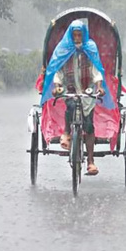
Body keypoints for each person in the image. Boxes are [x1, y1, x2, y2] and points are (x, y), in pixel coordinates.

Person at [40, 20, 114, 176]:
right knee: (71, 107)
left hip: (87, 91)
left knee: (88, 125)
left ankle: (91, 161)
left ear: (84, 35)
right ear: (70, 35)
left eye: (80, 35)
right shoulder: (63, 49)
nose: (77, 38)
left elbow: (96, 71)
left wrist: (99, 86)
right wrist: (58, 86)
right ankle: (66, 133)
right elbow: (58, 71)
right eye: (75, 35)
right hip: (70, 89)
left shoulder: (90, 48)